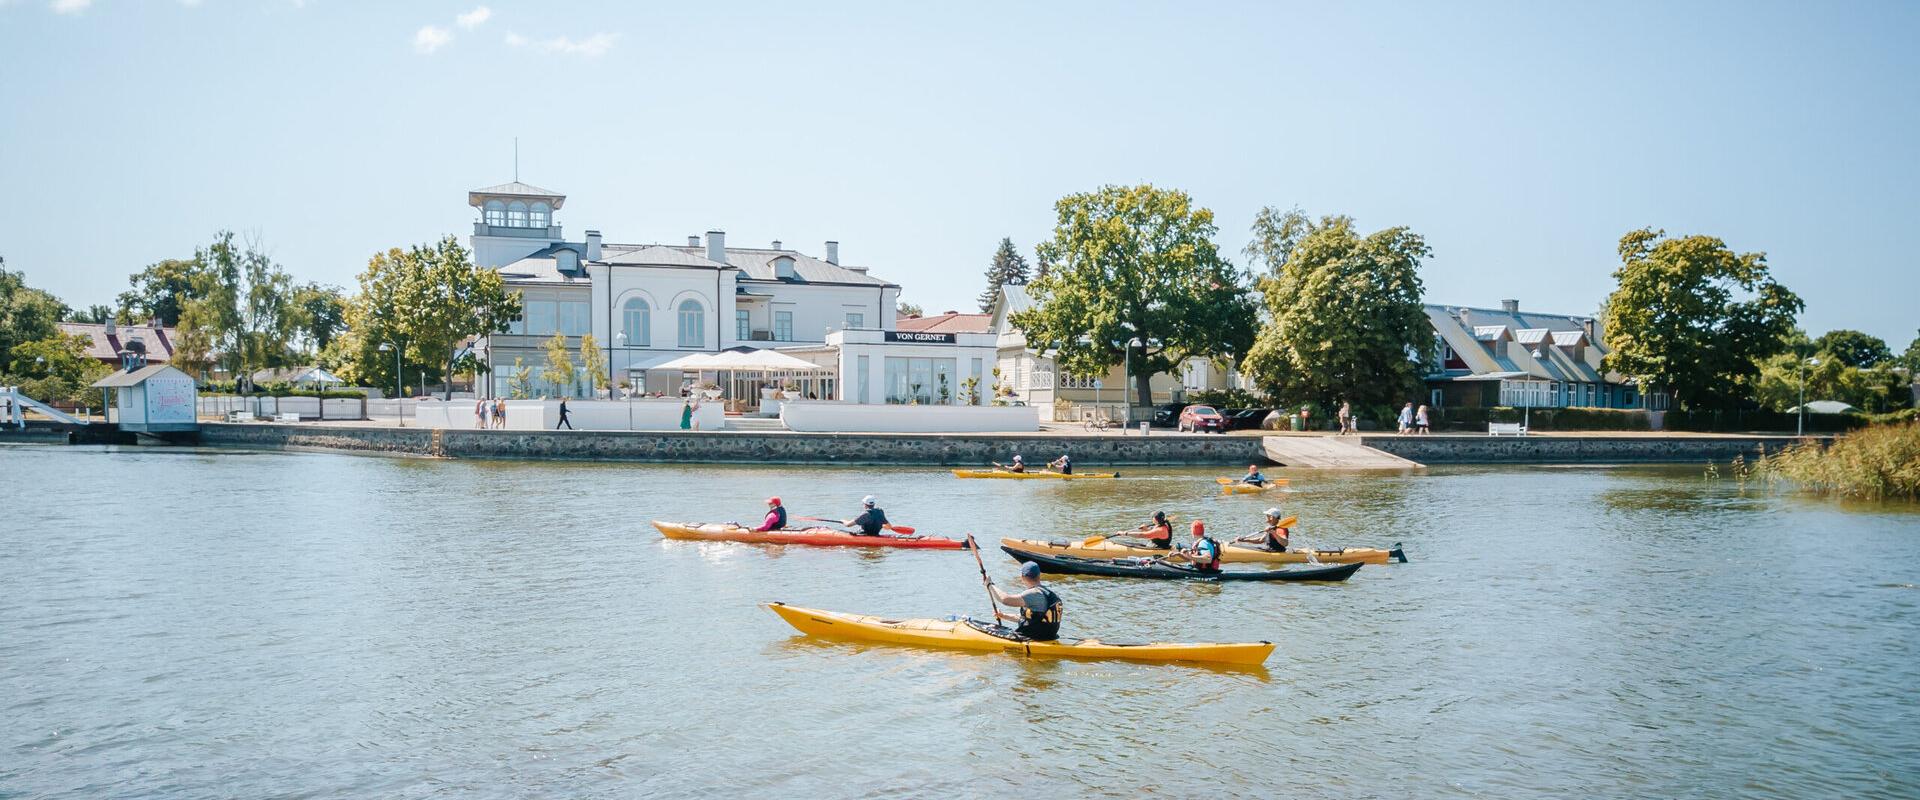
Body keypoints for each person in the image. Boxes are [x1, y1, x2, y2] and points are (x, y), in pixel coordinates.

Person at [985, 562, 1063, 641]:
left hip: (1034, 639)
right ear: (1039, 576)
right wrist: (1003, 615)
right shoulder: (1049, 593)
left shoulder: (1033, 593)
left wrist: (990, 585)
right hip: (1049, 638)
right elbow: (1028, 619)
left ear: (1022, 577)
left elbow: (1005, 600)